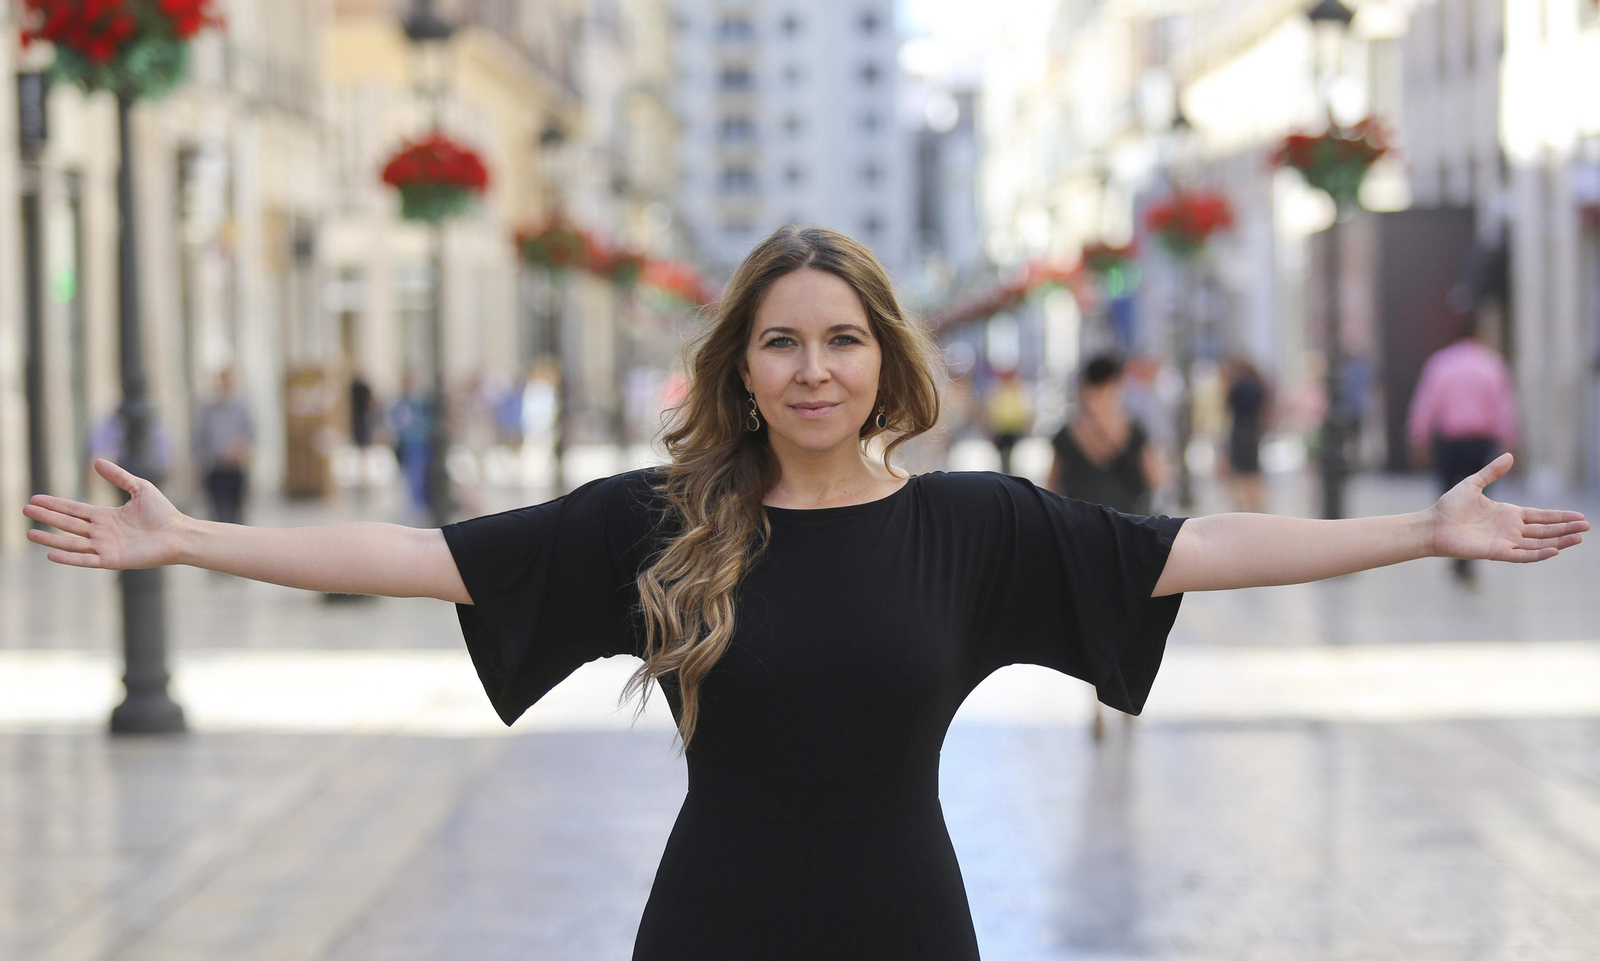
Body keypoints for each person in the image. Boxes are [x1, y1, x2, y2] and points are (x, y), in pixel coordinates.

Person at [21, 225, 1587, 960]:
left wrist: (1415, 537)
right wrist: (193, 542)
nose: (814, 365)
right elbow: (430, 558)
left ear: (884, 361)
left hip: (909, 925)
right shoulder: (670, 522)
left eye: (841, 338)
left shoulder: (972, 527)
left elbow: (1195, 546)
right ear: (743, 368)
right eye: (782, 340)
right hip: (711, 927)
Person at [1046, 353, 1162, 740]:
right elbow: (1155, 477)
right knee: (1126, 618)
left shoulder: (1066, 433)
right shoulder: (1134, 428)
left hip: (1080, 537)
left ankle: (1097, 704)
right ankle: (1123, 696)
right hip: (1127, 535)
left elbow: (1050, 486)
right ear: (1115, 385)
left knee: (1091, 623)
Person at [1405, 319, 1520, 586]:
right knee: (1479, 498)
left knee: (1449, 495)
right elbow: (1504, 406)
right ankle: (1466, 553)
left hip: (1448, 442)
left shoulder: (1440, 363)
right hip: (1480, 443)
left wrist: (1418, 438)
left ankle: (1458, 551)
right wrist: (1510, 440)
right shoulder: (1491, 364)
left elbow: (1426, 403)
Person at [192, 367, 255, 526]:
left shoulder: (242, 408)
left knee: (237, 513)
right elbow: (200, 440)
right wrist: (198, 467)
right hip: (215, 468)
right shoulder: (207, 410)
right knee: (217, 513)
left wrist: (239, 450)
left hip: (235, 468)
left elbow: (251, 435)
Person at [1222, 355, 1272, 513]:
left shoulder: (1236, 387)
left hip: (1238, 429)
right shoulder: (1258, 386)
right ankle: (1256, 506)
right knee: (1253, 470)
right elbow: (1266, 408)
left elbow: (1227, 408)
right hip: (1253, 430)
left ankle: (1240, 507)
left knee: (1238, 471)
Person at [983, 367, 1032, 474]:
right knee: (1003, 458)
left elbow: (1026, 410)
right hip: (1000, 431)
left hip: (1016, 430)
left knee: (1016, 458)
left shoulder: (1020, 388)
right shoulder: (995, 389)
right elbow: (990, 410)